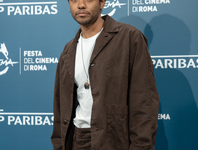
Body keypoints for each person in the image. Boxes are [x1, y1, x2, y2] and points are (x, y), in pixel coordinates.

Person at [51, 0, 159, 149]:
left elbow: (143, 102)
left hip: (114, 140)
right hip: (77, 140)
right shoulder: (68, 50)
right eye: (74, 0)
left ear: (102, 3)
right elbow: (60, 106)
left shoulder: (130, 38)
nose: (81, 5)